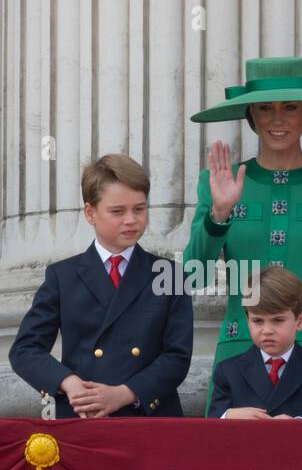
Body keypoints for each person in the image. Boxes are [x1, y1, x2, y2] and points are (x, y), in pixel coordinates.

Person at [185, 57, 302, 416]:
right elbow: (193, 276)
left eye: (290, 107)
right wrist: (218, 215)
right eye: (265, 108)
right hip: (238, 354)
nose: (278, 119)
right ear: (251, 115)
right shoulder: (218, 183)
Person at [9, 154, 192, 418]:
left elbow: (176, 357)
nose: (131, 220)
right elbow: (25, 350)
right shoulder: (63, 276)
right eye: (118, 211)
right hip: (84, 415)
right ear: (90, 213)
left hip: (149, 420)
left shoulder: (169, 274)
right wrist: (68, 383)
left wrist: (124, 393)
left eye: (139, 209)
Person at [208, 267, 302, 420]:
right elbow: (212, 425)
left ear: (300, 320)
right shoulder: (228, 371)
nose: (267, 330)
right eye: (258, 321)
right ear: (248, 320)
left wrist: (300, 427)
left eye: (278, 320)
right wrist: (228, 416)